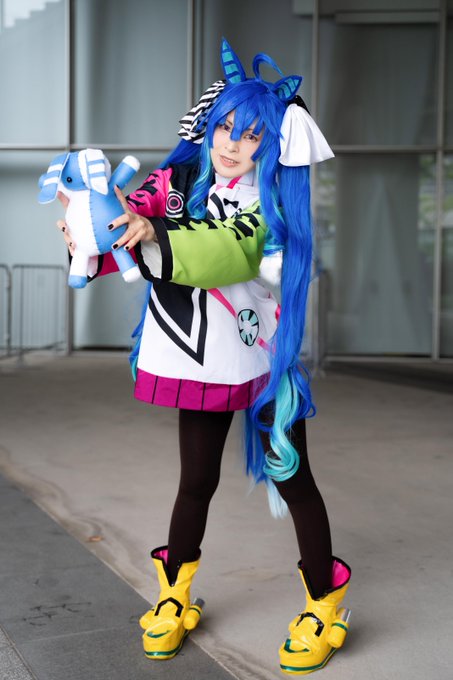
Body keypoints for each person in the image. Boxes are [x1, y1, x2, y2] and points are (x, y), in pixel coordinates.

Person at [58, 39, 351, 676]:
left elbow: (229, 250)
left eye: (250, 135)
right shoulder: (181, 183)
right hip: (207, 361)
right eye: (224, 128)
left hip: (263, 361)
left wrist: (155, 233)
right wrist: (90, 226)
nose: (231, 144)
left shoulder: (269, 206)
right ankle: (175, 596)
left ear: (271, 145)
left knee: (293, 478)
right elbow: (129, 221)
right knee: (196, 481)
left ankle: (325, 605)